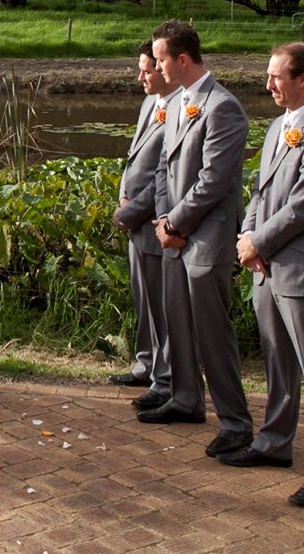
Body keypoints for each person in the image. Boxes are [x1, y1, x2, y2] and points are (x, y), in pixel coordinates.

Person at [225, 41, 304, 508]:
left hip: (300, 270)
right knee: (278, 363)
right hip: (264, 267)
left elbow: (302, 208)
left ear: (303, 79)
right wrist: (247, 237)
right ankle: (275, 443)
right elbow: (259, 193)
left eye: (277, 76)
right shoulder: (279, 127)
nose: (268, 84)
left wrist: (259, 242)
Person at [145, 19, 254, 456]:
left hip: (205, 237)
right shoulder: (176, 104)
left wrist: (176, 224)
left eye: (160, 59)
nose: (156, 67)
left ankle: (236, 421)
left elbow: (213, 180)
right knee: (179, 324)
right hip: (174, 234)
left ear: (182, 59)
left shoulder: (222, 107)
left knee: (212, 333)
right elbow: (162, 168)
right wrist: (162, 220)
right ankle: (186, 399)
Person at [111, 40, 173, 408]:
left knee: (162, 304)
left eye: (147, 70)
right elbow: (134, 157)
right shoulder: (151, 102)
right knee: (142, 296)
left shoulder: (181, 109)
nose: (141, 77)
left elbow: (165, 175)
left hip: (154, 220)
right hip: (134, 217)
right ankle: (146, 362)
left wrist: (133, 210)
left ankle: (165, 376)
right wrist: (122, 195)